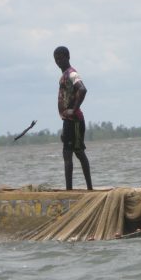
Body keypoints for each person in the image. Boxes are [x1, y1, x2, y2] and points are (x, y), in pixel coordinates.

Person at [54, 46, 93, 190]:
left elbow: (82, 89)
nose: (58, 61)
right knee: (70, 153)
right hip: (68, 121)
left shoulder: (71, 73)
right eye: (56, 59)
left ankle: (85, 188)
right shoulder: (64, 74)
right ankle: (70, 189)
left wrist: (73, 110)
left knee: (76, 153)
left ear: (68, 57)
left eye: (61, 58)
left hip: (75, 120)